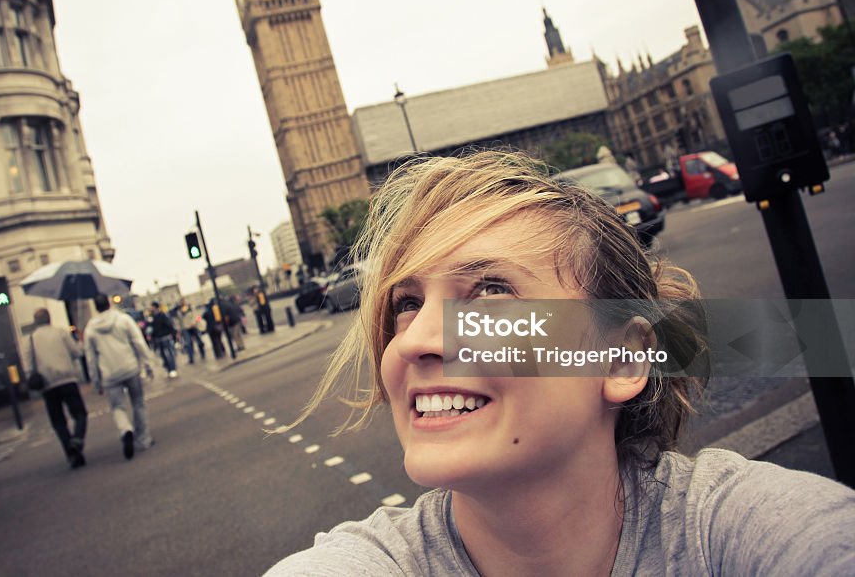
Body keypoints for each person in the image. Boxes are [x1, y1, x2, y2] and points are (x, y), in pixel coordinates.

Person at [266, 150, 855, 576]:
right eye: (408, 303)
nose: (418, 339)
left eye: (490, 292)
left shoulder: (742, 532)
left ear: (623, 360)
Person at [84, 295, 156, 460]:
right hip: (130, 367)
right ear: (109, 303)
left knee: (117, 407)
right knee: (138, 402)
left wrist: (96, 380)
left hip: (109, 373)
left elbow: (91, 358)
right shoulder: (124, 319)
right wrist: (148, 363)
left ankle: (125, 430)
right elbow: (138, 342)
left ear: (95, 307)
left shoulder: (90, 329)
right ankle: (143, 439)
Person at [27, 308, 89, 468]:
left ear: (36, 322)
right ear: (49, 319)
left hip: (47, 385)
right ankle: (77, 439)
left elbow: (29, 364)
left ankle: (71, 453)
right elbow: (76, 352)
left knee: (58, 422)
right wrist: (80, 343)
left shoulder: (31, 339)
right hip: (67, 379)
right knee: (80, 413)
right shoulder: (60, 333)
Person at [148, 302, 178, 378]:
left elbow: (169, 325)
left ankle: (172, 369)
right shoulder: (151, 317)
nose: (150, 308)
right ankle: (168, 368)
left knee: (168, 353)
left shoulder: (162, 315)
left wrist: (173, 334)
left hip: (165, 337)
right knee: (163, 354)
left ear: (155, 307)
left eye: (151, 307)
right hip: (158, 338)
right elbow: (151, 328)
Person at [172, 299, 205, 363]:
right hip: (185, 328)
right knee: (188, 343)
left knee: (199, 341)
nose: (182, 303)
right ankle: (191, 358)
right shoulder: (178, 311)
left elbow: (197, 316)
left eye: (183, 301)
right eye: (181, 302)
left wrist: (196, 322)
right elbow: (178, 321)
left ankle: (202, 353)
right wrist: (179, 330)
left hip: (194, 326)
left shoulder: (191, 308)